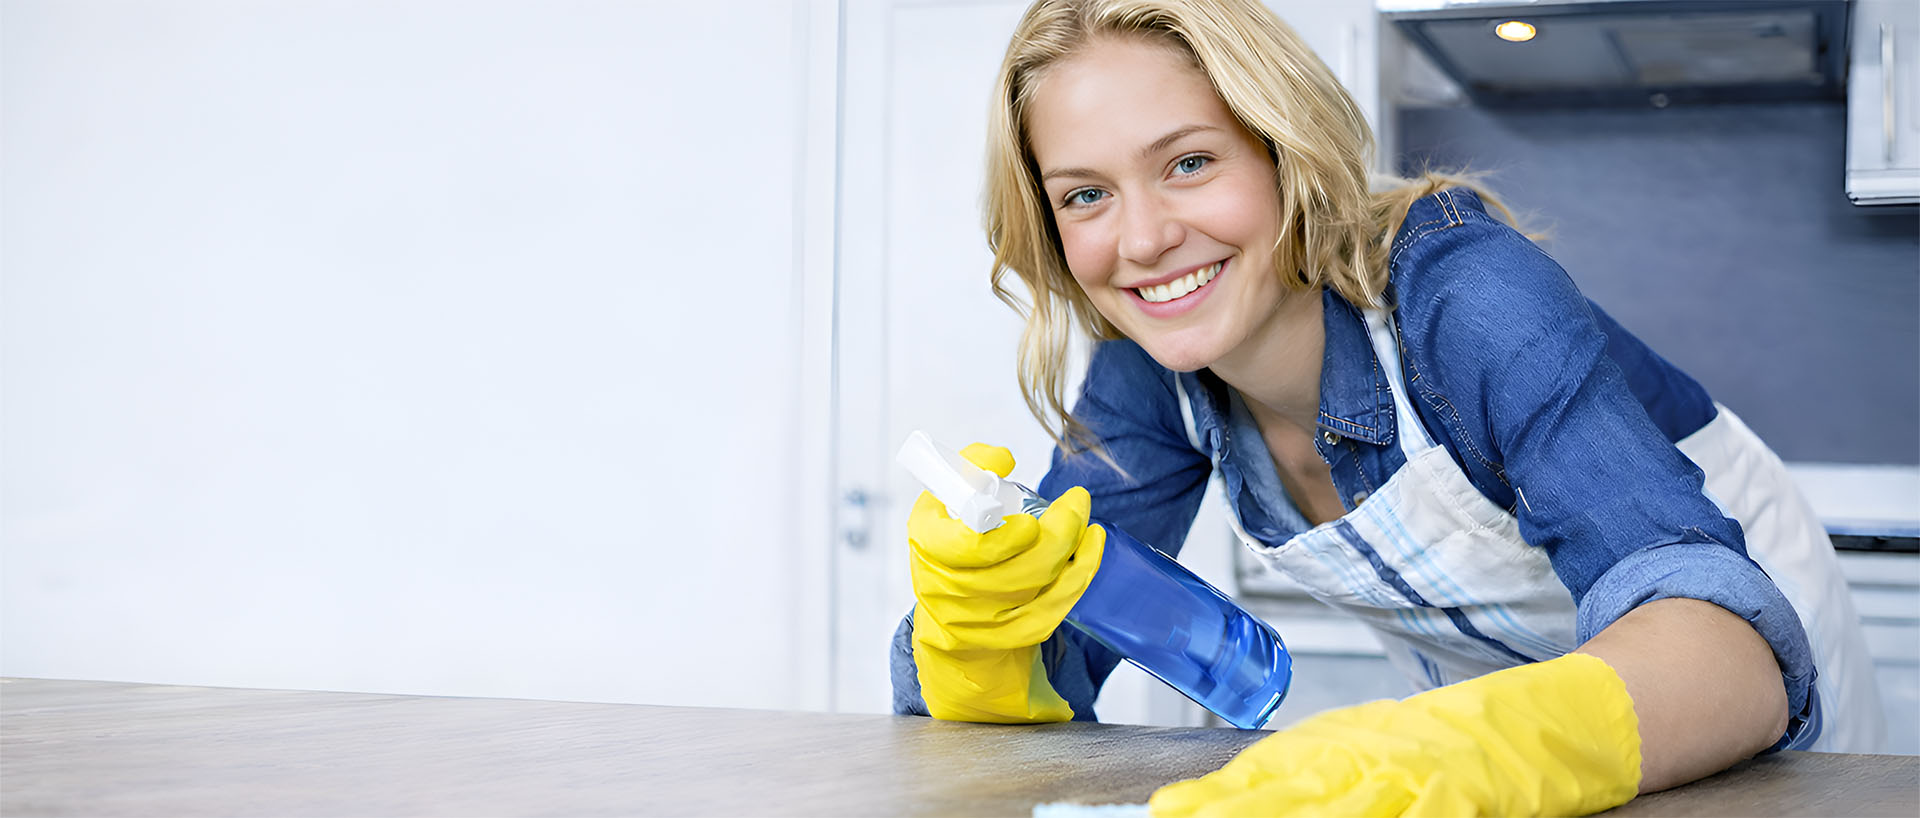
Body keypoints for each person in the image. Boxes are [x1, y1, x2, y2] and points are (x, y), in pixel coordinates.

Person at [888, 0, 1884, 814]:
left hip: (1718, 709)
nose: (1142, 239)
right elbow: (1044, 694)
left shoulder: (1465, 294)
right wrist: (983, 633)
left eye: (1188, 162)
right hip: (1497, 740)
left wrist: (1463, 750)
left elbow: (1732, 659)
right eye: (1085, 196)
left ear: (1284, 150)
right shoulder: (1149, 375)